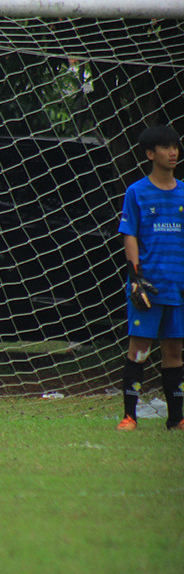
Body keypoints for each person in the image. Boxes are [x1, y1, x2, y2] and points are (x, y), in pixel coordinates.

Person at [116, 124, 184, 432]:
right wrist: (135, 277)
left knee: (174, 351)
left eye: (176, 146)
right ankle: (130, 416)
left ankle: (176, 418)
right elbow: (129, 234)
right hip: (148, 286)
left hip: (178, 287)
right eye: (166, 147)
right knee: (139, 348)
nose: (173, 152)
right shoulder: (137, 192)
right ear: (149, 154)